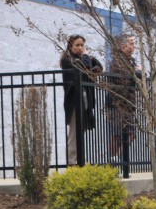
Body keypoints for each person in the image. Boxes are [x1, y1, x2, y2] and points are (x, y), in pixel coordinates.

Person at [60, 35, 102, 165]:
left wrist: (89, 58)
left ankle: (78, 161)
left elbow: (99, 67)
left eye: (82, 45)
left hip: (85, 100)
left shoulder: (81, 58)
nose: (80, 48)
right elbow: (84, 68)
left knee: (80, 133)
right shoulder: (67, 60)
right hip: (74, 101)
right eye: (77, 45)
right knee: (74, 133)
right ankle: (71, 162)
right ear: (70, 46)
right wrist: (86, 57)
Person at [105, 34, 140, 161]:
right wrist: (136, 72)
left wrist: (138, 72)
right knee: (118, 134)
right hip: (116, 103)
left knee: (129, 134)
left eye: (133, 43)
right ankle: (114, 161)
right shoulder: (117, 61)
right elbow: (125, 76)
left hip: (128, 104)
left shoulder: (131, 61)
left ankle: (117, 161)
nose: (133, 46)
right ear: (122, 45)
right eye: (130, 43)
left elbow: (140, 74)